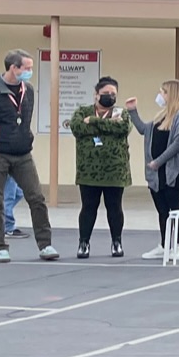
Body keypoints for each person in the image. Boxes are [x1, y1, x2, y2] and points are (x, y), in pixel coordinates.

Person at [0, 49, 55, 262]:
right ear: (13, 68)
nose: (30, 72)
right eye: (27, 68)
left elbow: (25, 117)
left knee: (36, 198)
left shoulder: (27, 89)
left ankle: (45, 244)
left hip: (23, 154)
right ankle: (0, 246)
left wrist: (26, 137)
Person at [69, 75, 133, 259]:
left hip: (115, 170)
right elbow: (77, 128)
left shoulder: (121, 113)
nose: (110, 96)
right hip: (89, 171)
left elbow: (123, 129)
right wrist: (107, 125)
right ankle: (83, 243)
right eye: (106, 93)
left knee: (115, 207)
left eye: (113, 94)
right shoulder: (82, 111)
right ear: (96, 94)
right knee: (89, 207)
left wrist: (94, 122)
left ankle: (117, 242)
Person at [139, 79, 179, 257]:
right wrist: (132, 111)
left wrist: (159, 161)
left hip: (174, 172)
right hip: (158, 174)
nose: (160, 96)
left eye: (163, 92)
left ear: (171, 94)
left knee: (176, 210)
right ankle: (165, 245)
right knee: (162, 210)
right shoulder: (162, 115)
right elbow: (144, 130)